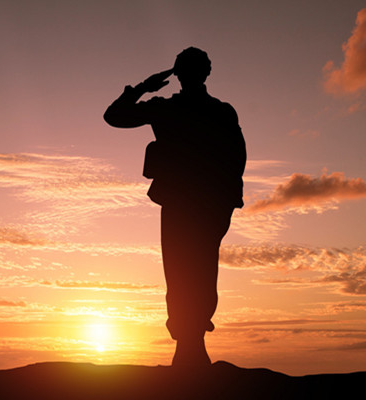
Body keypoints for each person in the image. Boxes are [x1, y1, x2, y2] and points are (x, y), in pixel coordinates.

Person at [103, 47, 246, 368]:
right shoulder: (217, 110)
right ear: (205, 73)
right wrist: (228, 202)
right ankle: (190, 345)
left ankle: (190, 344)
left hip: (191, 202)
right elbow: (238, 157)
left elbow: (115, 115)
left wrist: (142, 87)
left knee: (184, 272)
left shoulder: (170, 108)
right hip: (203, 203)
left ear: (179, 74)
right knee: (197, 272)